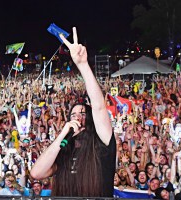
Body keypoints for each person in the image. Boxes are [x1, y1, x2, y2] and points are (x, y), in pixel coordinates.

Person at [30, 27, 116, 197]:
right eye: (73, 115)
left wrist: (83, 65)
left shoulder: (102, 143)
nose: (77, 118)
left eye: (83, 114)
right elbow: (36, 173)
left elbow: (98, 106)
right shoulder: (64, 151)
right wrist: (62, 135)